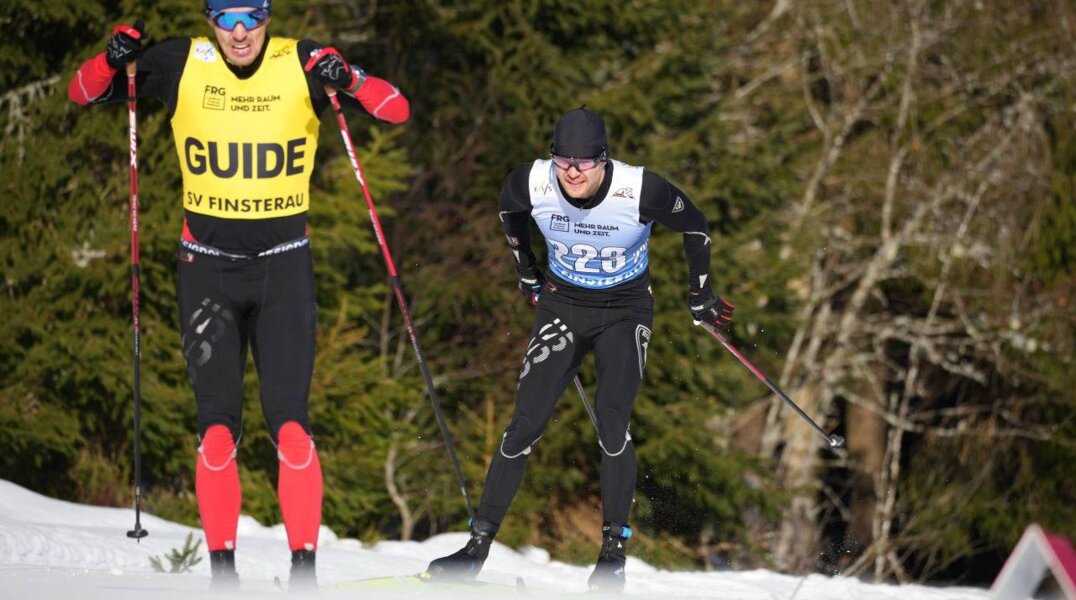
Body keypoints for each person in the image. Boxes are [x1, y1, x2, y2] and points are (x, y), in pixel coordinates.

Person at [67, 0, 409, 589]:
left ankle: (305, 576)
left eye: (252, 15)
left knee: (293, 430)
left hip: (283, 269)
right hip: (207, 271)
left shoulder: (300, 60)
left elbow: (396, 109)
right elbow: (83, 93)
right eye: (227, 18)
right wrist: (110, 59)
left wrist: (347, 77)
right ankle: (222, 579)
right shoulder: (182, 60)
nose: (241, 31)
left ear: (268, 17)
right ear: (211, 21)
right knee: (217, 432)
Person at [425, 107, 734, 592]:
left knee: (612, 421)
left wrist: (700, 293)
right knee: (524, 423)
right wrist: (525, 268)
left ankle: (612, 554)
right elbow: (509, 213)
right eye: (563, 160)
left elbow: (696, 227)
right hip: (563, 306)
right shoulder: (532, 182)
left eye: (584, 162)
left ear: (604, 160)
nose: (572, 171)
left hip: (625, 310)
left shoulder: (641, 189)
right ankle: (476, 547)